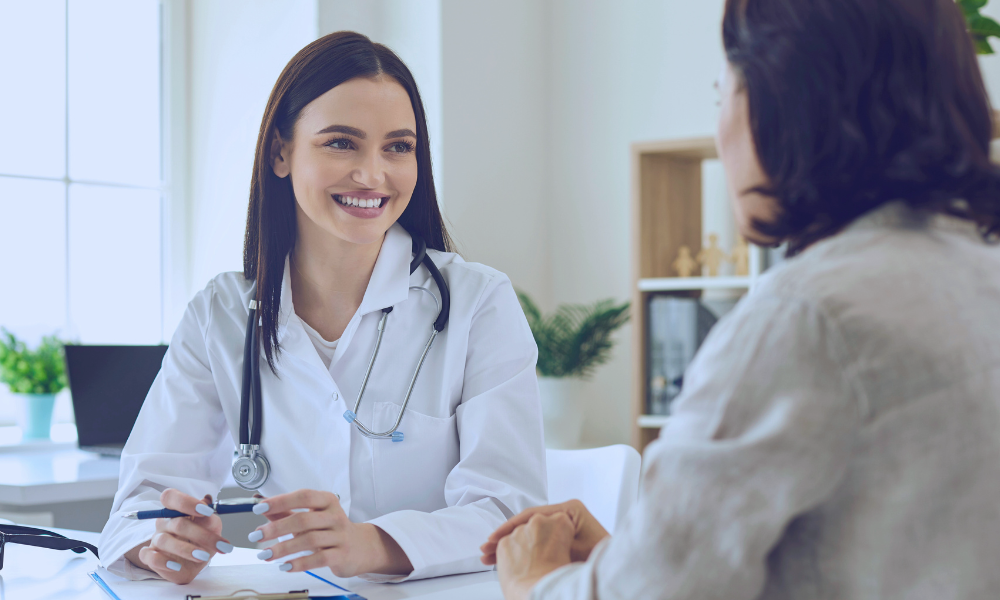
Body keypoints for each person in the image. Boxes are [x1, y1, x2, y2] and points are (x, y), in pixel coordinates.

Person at [481, 0, 1000, 597]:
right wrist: (628, 557)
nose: (720, 127)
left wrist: (534, 580)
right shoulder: (976, 275)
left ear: (785, 105)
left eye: (720, 94)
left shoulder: (805, 318)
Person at [99, 31, 546, 584]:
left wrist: (370, 545)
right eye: (341, 142)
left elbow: (509, 511)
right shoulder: (221, 313)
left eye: (398, 147)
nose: (372, 174)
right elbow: (140, 501)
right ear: (281, 152)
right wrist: (159, 541)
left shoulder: (477, 303)